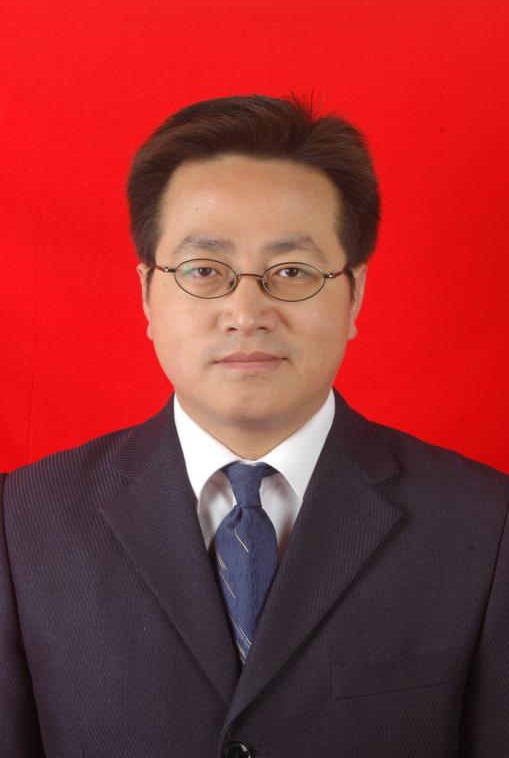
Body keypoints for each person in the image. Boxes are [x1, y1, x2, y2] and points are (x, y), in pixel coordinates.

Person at [1, 94, 508, 758]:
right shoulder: (22, 521)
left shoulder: (484, 522)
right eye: (204, 271)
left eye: (291, 272)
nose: (246, 312)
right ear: (147, 294)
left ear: (354, 293)